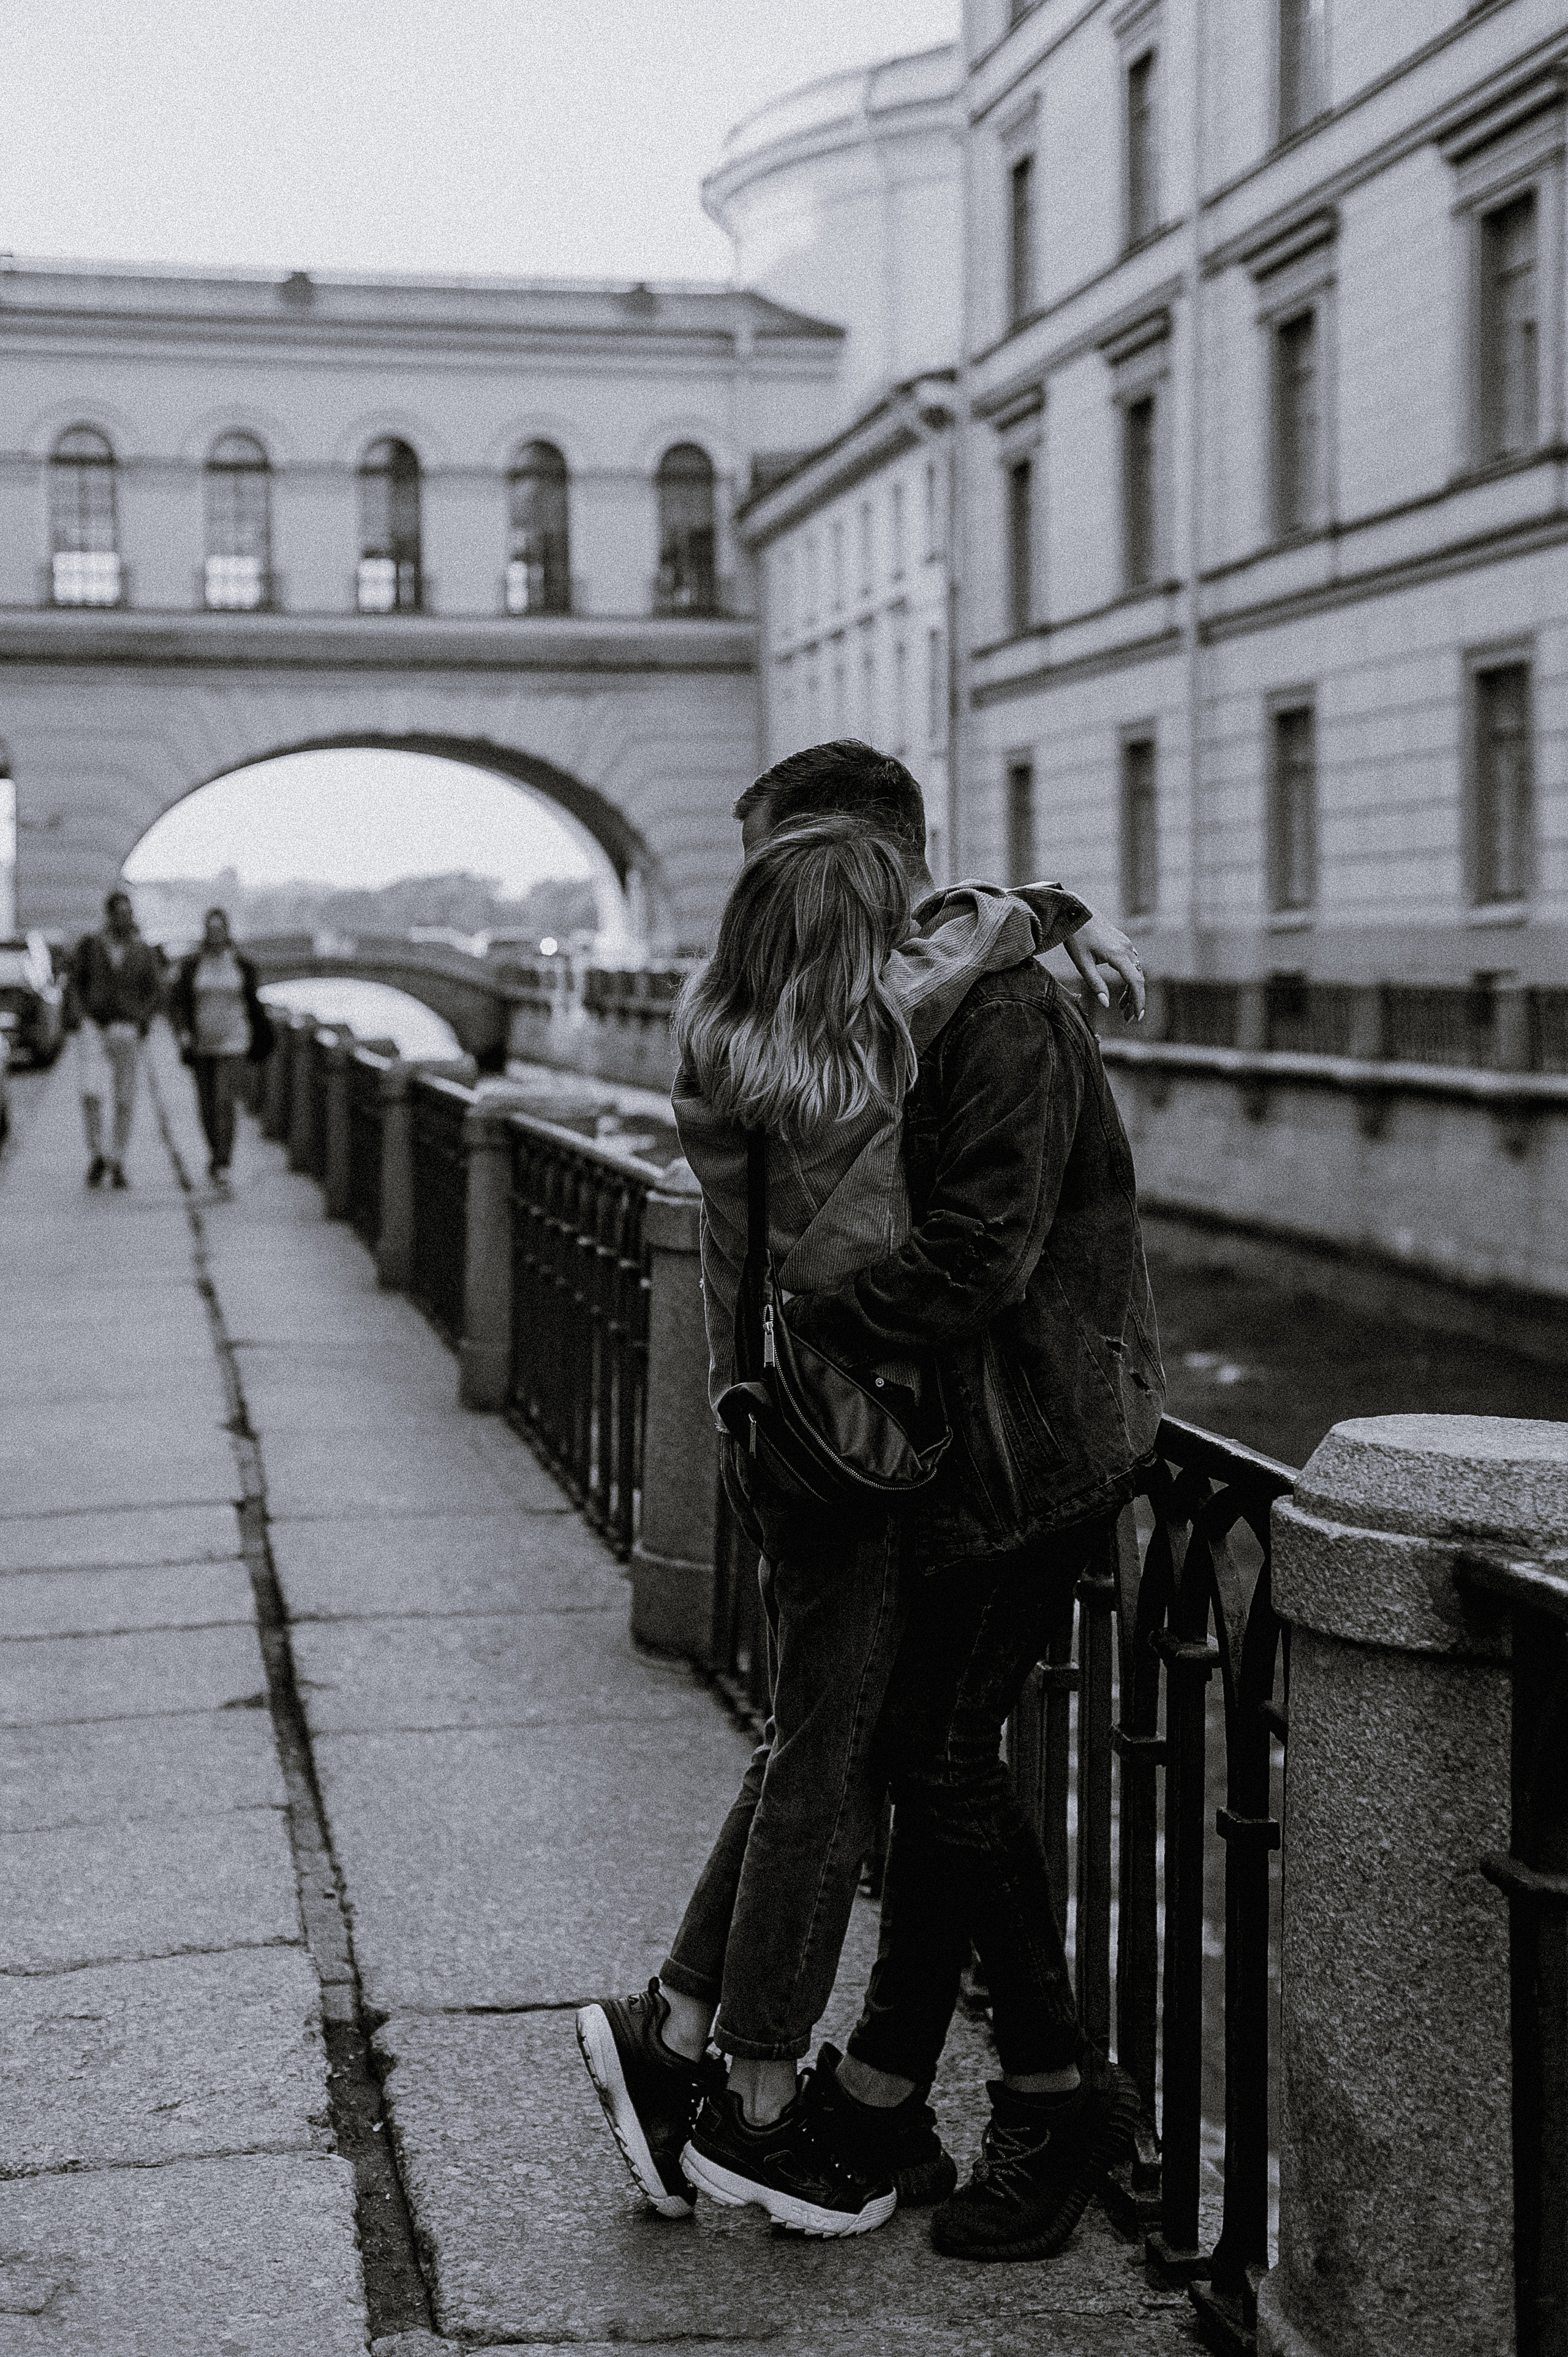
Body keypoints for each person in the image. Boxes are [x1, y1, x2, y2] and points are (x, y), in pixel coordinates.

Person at [577, 814, 1096, 2239]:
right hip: (853, 1447)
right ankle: (755, 2105)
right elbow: (967, 955)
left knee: (813, 1728)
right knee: (833, 1760)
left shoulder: (722, 1036)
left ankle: (669, 2027)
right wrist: (1044, 912)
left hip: (769, 1433)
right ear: (847, 946)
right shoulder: (851, 1064)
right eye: (882, 922)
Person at [728, 745, 1166, 2264]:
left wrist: (814, 1320)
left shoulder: (996, 1006)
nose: (772, 915)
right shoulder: (919, 989)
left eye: (789, 877)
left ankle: (1052, 2095)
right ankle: (890, 2086)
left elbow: (980, 1255)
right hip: (964, 1442)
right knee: (933, 1757)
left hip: (1029, 1440)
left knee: (935, 1759)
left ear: (870, 863)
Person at [64, 890, 163, 1189]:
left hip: (126, 1028)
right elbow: (75, 984)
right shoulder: (91, 946)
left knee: (124, 1097)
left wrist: (141, 1021)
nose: (125, 919)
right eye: (120, 913)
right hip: (94, 1027)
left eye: (128, 913)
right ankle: (99, 1152)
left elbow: (155, 990)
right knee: (92, 1093)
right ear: (110, 915)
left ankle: (117, 1157)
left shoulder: (142, 951)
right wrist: (81, 1018)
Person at [170, 909, 274, 1184]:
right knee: (206, 1105)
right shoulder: (193, 964)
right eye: (211, 929)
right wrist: (182, 1033)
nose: (216, 934)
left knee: (225, 1101)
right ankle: (215, 1150)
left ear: (228, 931)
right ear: (205, 931)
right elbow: (178, 1002)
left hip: (235, 1042)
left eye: (220, 929)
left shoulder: (241, 964)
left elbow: (253, 1003)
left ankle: (223, 1160)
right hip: (202, 1044)